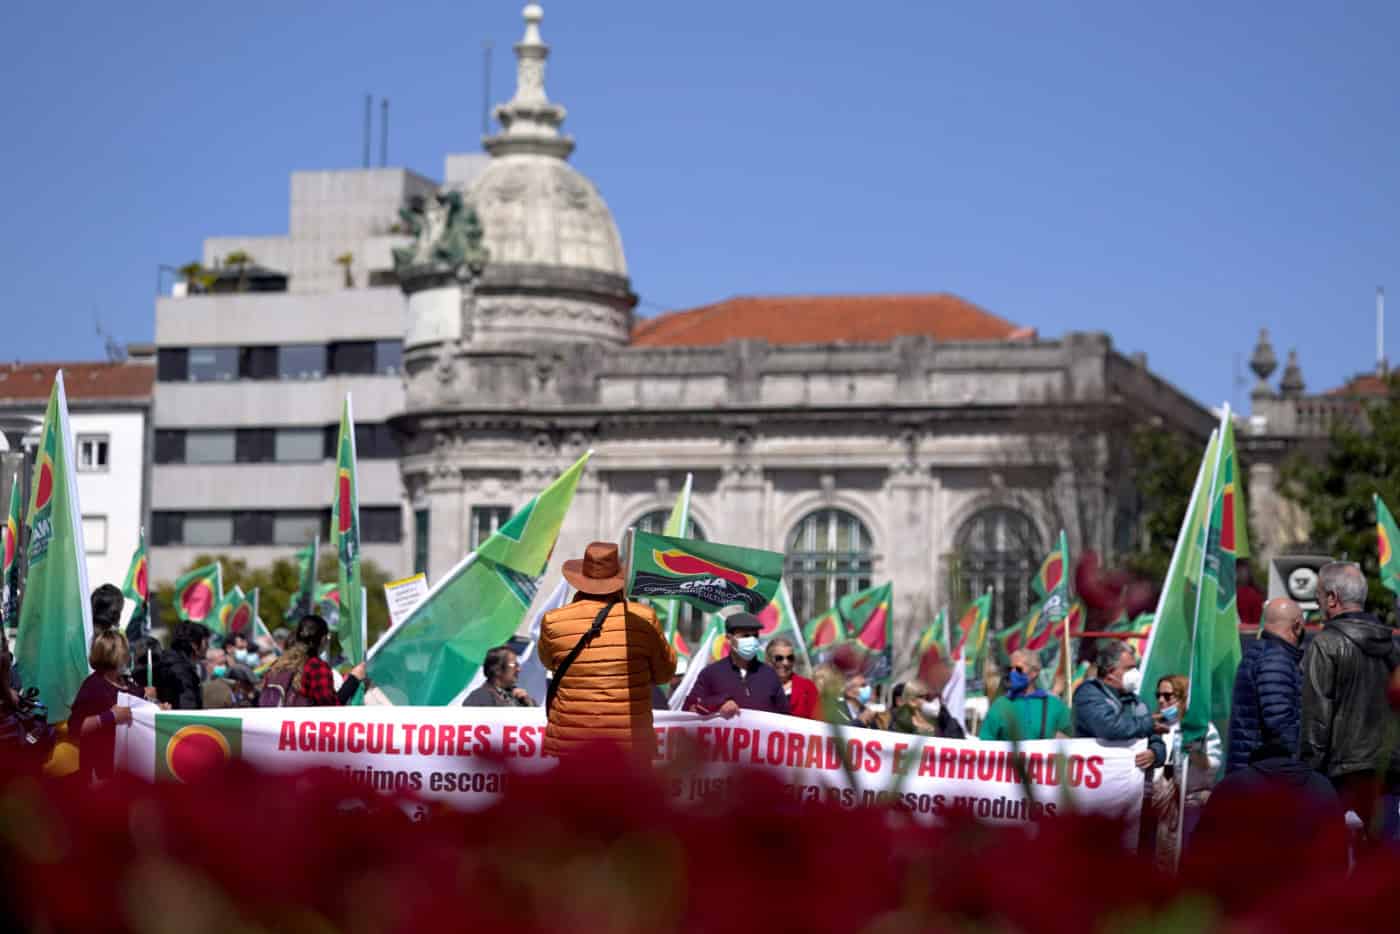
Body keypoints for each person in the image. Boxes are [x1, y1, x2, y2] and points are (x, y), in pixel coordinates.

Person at [538, 542, 675, 757]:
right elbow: (664, 674)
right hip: (630, 745)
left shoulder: (554, 621)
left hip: (572, 743)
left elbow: (548, 663)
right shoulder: (642, 618)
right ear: (619, 580)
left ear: (580, 580)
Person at [1300, 561, 1400, 841]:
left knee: (1333, 856)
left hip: (1341, 776)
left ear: (1333, 598)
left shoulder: (1325, 644)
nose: (1318, 604)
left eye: (1319, 596)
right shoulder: (1392, 646)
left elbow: (1316, 719)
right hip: (1388, 772)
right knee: (1384, 857)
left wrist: (1308, 775)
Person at [69, 630, 158, 782]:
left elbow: (140, 709)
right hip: (101, 774)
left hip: (129, 770)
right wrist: (110, 716)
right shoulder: (93, 686)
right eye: (124, 650)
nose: (128, 655)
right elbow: (75, 727)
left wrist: (158, 709)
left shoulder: (127, 682)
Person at [1227, 597, 1304, 772]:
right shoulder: (1276, 659)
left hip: (1250, 769)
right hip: (1266, 772)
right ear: (1297, 626)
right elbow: (1280, 723)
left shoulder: (1258, 652)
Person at [1152, 673, 1222, 851]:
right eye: (1158, 695)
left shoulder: (1202, 728)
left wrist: (1194, 752)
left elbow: (1213, 764)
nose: (1161, 700)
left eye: (1167, 696)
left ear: (1183, 697)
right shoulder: (1158, 727)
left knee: (1187, 852)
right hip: (1163, 805)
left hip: (1192, 804)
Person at [1073, 641, 1165, 771]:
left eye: (1135, 668)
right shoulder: (1088, 694)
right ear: (1110, 672)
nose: (1135, 673)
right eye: (1129, 668)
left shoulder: (1136, 702)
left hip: (1128, 780)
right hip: (1097, 776)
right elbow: (1109, 727)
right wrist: (1149, 723)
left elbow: (1156, 740)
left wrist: (1154, 753)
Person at [685, 613, 788, 716]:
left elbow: (785, 716)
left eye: (755, 636)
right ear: (729, 639)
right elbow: (688, 711)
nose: (752, 640)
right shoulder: (711, 673)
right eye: (745, 636)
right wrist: (719, 702)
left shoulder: (769, 674)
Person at [261, 615, 366, 706]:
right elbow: (331, 707)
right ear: (323, 639)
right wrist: (353, 679)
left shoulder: (277, 664)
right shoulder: (316, 666)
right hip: (297, 723)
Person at [979, 649, 1073, 741]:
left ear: (1034, 672)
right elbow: (985, 743)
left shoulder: (1055, 705)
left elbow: (1073, 741)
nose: (1012, 673)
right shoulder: (1000, 705)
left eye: (1018, 669)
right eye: (1010, 669)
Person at [155, 622, 211, 710]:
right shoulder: (181, 670)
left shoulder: (168, 661)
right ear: (194, 644)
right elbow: (188, 707)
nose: (208, 647)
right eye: (206, 643)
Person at [462, 646, 537, 707]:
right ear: (497, 670)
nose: (519, 669)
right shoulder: (478, 698)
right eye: (514, 665)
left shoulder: (520, 697)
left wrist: (529, 703)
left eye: (518, 665)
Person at [891, 678, 965, 738]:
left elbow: (957, 743)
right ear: (912, 701)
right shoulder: (897, 721)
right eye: (926, 697)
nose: (934, 701)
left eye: (936, 696)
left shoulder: (946, 721)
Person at [766, 638, 817, 718]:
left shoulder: (807, 687)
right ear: (768, 660)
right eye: (779, 658)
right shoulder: (757, 688)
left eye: (790, 658)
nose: (786, 663)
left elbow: (818, 719)